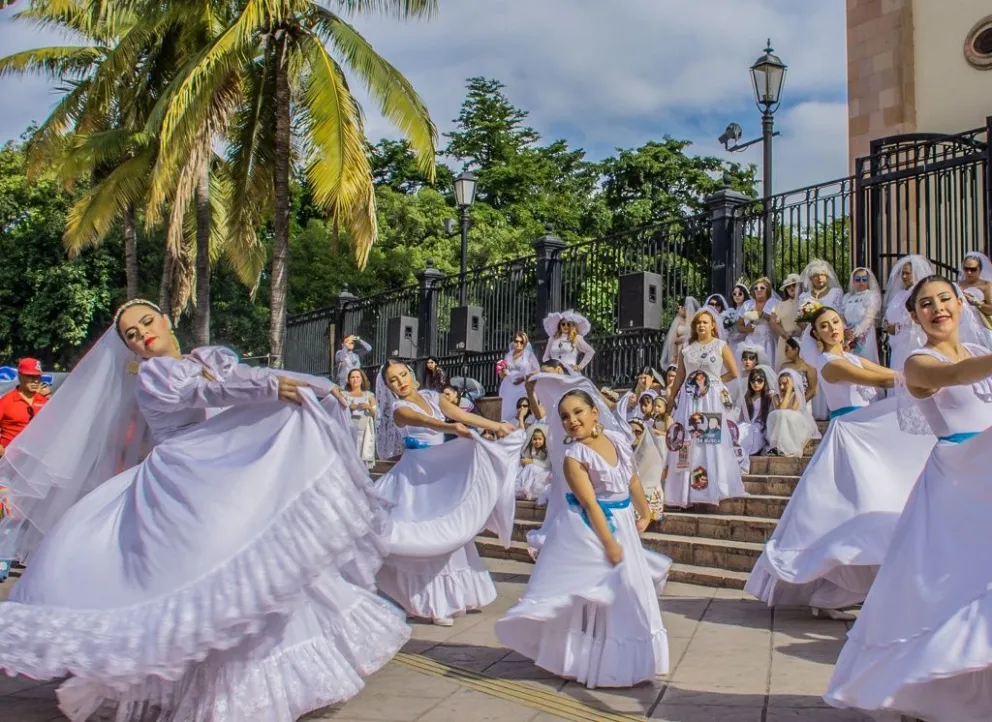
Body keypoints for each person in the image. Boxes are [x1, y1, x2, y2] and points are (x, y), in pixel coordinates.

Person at [0, 299, 410, 721]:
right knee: (205, 575)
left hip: (220, 464)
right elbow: (204, 392)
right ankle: (213, 687)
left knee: (254, 567)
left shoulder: (206, 357)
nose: (143, 335)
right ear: (130, 348)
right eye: (132, 335)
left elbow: (245, 375)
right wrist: (272, 389)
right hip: (183, 478)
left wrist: (310, 384)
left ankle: (260, 684)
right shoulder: (154, 374)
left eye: (146, 323)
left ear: (165, 319)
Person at [824, 276, 992, 721]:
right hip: (956, 486)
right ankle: (921, 689)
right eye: (925, 304)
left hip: (987, 479)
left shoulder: (979, 352)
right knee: (951, 591)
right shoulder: (920, 362)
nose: (937, 308)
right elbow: (954, 376)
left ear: (960, 304)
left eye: (944, 299)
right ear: (914, 315)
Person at [744, 305, 935, 620]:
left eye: (835, 322)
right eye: (824, 325)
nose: (832, 328)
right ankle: (836, 589)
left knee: (871, 508)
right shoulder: (829, 363)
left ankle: (851, 589)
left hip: (867, 433)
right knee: (851, 510)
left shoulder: (851, 357)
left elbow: (883, 374)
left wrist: (921, 376)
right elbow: (884, 381)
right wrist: (924, 375)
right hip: (848, 437)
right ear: (816, 334)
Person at [495, 374, 670, 688]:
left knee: (630, 594)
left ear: (594, 412)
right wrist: (610, 544)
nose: (572, 420)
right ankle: (594, 662)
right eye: (565, 416)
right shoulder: (574, 458)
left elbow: (631, 480)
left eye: (578, 412)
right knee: (602, 594)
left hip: (623, 524)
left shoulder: (617, 441)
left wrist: (645, 512)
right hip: (594, 529)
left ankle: (634, 660)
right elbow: (591, 505)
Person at [374, 360, 523, 627]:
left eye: (402, 374)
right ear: (388, 387)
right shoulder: (399, 409)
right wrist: (449, 428)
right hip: (416, 477)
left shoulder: (432, 397)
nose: (400, 381)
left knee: (448, 530)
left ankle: (450, 599)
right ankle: (429, 603)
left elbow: (462, 415)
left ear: (410, 374)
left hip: (440, 470)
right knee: (423, 537)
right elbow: (427, 421)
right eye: (393, 380)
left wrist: (496, 425)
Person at [664, 307, 747, 508]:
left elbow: (734, 372)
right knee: (687, 440)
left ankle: (712, 489)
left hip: (710, 399)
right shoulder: (687, 349)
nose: (701, 325)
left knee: (709, 439)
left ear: (712, 326)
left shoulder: (720, 346)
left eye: (705, 322)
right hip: (689, 399)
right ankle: (685, 492)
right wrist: (671, 398)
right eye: (698, 322)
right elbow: (681, 377)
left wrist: (715, 382)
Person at [796, 260, 845, 420]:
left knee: (829, 365)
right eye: (816, 275)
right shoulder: (804, 296)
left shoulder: (836, 293)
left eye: (822, 275)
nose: (819, 278)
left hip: (830, 335)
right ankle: (813, 411)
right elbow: (800, 321)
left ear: (827, 276)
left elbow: (839, 316)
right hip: (811, 336)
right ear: (810, 278)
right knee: (812, 369)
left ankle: (831, 408)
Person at [883, 254, 933, 370]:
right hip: (898, 344)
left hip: (913, 341)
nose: (904, 276)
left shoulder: (921, 293)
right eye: (903, 273)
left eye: (908, 273)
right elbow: (889, 313)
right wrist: (886, 324)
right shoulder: (899, 294)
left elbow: (921, 317)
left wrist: (898, 328)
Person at [0, 358, 49, 458]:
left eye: (38, 377)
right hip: (9, 460)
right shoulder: (6, 401)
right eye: (30, 376)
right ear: (20, 376)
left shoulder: (45, 401)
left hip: (35, 459)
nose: (35, 381)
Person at [766, 369, 818, 457]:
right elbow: (780, 410)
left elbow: (792, 411)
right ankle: (777, 446)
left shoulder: (796, 395)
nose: (782, 387)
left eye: (785, 384)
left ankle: (786, 447)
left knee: (784, 415)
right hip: (781, 423)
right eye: (780, 384)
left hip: (794, 424)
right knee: (774, 415)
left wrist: (789, 391)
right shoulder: (775, 396)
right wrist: (785, 394)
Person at [737, 278, 782, 366]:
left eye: (762, 288)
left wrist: (763, 315)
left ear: (768, 290)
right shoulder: (747, 304)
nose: (759, 290)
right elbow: (738, 326)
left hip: (768, 342)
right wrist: (747, 329)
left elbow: (779, 323)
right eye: (756, 288)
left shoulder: (775, 303)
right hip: (750, 342)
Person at [841, 267, 882, 364]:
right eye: (858, 279)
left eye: (864, 279)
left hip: (865, 335)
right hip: (848, 335)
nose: (861, 282)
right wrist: (845, 330)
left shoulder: (872, 296)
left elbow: (869, 317)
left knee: (866, 363)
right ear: (853, 281)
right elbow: (841, 315)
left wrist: (855, 333)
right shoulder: (847, 297)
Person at [498, 331, 540, 422]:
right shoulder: (508, 355)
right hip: (509, 386)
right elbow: (503, 374)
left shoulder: (529, 355)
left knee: (523, 408)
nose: (518, 344)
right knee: (508, 408)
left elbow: (536, 371)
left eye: (521, 342)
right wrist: (502, 372)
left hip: (523, 385)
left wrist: (524, 378)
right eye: (516, 341)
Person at [344, 368, 377, 469]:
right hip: (348, 430)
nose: (355, 379)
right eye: (352, 377)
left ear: (362, 379)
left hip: (364, 431)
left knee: (362, 458)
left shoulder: (369, 395)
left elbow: (375, 414)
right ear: (349, 379)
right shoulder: (344, 395)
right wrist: (349, 407)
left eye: (357, 377)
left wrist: (368, 407)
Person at [515, 424, 551, 502]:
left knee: (531, 467)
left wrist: (532, 461)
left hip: (544, 471)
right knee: (524, 469)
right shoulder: (531, 449)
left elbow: (547, 464)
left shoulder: (546, 450)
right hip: (531, 471)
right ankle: (522, 489)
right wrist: (524, 461)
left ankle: (526, 488)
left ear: (544, 439)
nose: (537, 441)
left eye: (540, 439)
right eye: (535, 439)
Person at [661, 297, 700, 369]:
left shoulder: (697, 321)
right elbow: (673, 340)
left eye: (680, 307)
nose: (678, 310)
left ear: (684, 308)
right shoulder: (678, 321)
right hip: (680, 350)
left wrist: (687, 339)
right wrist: (674, 356)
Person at [773, 274, 802, 366]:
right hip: (785, 340)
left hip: (803, 339)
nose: (791, 288)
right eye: (788, 287)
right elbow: (775, 323)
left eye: (794, 285)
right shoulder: (780, 305)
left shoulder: (806, 301)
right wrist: (785, 335)